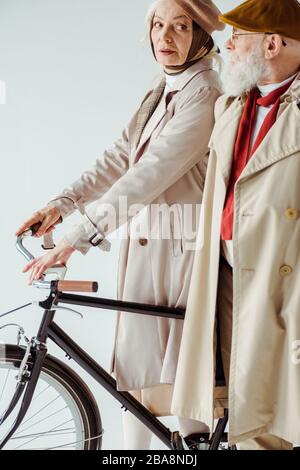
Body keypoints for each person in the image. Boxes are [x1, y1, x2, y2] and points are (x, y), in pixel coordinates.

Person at [15, 0, 224, 449]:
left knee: (180, 382)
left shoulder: (203, 91)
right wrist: (62, 204)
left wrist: (71, 240)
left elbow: (147, 176)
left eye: (180, 27)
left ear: (201, 36)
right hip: (150, 250)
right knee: (137, 378)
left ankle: (190, 448)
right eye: (158, 25)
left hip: (181, 255)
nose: (165, 38)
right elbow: (119, 156)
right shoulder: (164, 86)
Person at [171, 0, 300, 451]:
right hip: (226, 275)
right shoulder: (231, 105)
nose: (228, 45)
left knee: (277, 416)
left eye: (238, 37)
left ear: (272, 43)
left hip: (281, 281)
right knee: (242, 407)